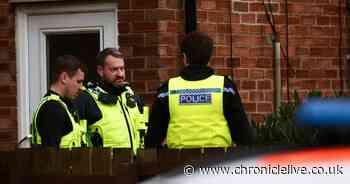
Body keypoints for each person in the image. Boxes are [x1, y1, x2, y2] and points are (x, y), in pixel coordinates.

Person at [145, 32, 253, 149]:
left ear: (184, 58)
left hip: (178, 162)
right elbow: (243, 135)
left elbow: (152, 139)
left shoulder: (167, 90)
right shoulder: (225, 88)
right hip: (216, 162)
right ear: (209, 59)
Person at [75, 48, 145, 154]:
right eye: (114, 69)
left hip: (134, 165)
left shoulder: (132, 96)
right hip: (104, 167)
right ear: (100, 71)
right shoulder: (86, 99)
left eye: (122, 69)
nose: (120, 74)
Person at [31, 55, 85, 148]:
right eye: (78, 81)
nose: (82, 87)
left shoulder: (61, 105)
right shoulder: (52, 109)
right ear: (64, 77)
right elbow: (50, 155)